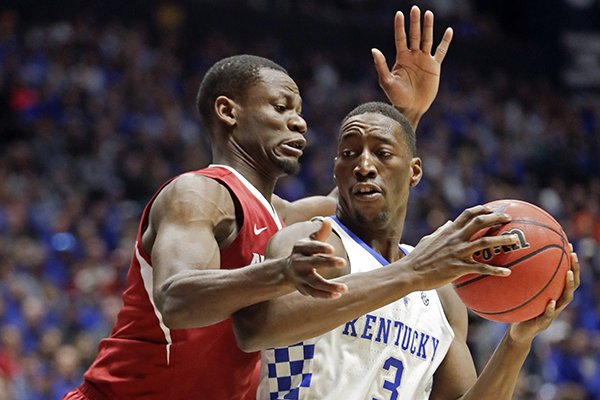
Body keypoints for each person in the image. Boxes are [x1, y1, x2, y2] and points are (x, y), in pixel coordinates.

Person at [64, 6, 454, 400]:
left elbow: (362, 192)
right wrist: (283, 273)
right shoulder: (199, 193)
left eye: (299, 113)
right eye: (281, 107)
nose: (299, 122)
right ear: (227, 111)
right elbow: (176, 298)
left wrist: (407, 113)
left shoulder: (282, 215)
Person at [232, 102, 580, 399]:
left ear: (414, 171)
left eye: (382, 154)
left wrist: (518, 341)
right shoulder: (313, 241)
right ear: (336, 170)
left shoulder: (441, 293)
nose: (364, 166)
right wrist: (412, 273)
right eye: (349, 154)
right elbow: (257, 330)